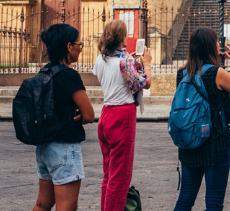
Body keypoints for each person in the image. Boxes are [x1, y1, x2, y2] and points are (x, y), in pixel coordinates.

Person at [174, 28, 230, 211]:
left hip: (188, 142)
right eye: (216, 41)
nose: (219, 44)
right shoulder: (216, 73)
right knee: (214, 202)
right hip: (215, 145)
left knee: (185, 198)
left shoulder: (182, 73)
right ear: (210, 46)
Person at [32, 24, 96, 211]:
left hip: (44, 146)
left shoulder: (44, 72)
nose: (80, 49)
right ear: (69, 46)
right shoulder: (69, 75)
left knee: (43, 204)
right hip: (64, 147)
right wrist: (80, 117)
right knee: (67, 207)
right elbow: (89, 115)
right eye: (79, 44)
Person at [93, 19, 151, 211]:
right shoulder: (126, 62)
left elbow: (117, 73)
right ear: (123, 38)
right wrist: (147, 64)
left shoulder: (101, 59)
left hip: (106, 113)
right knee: (120, 176)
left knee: (108, 173)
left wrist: (132, 61)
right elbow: (144, 83)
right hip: (122, 115)